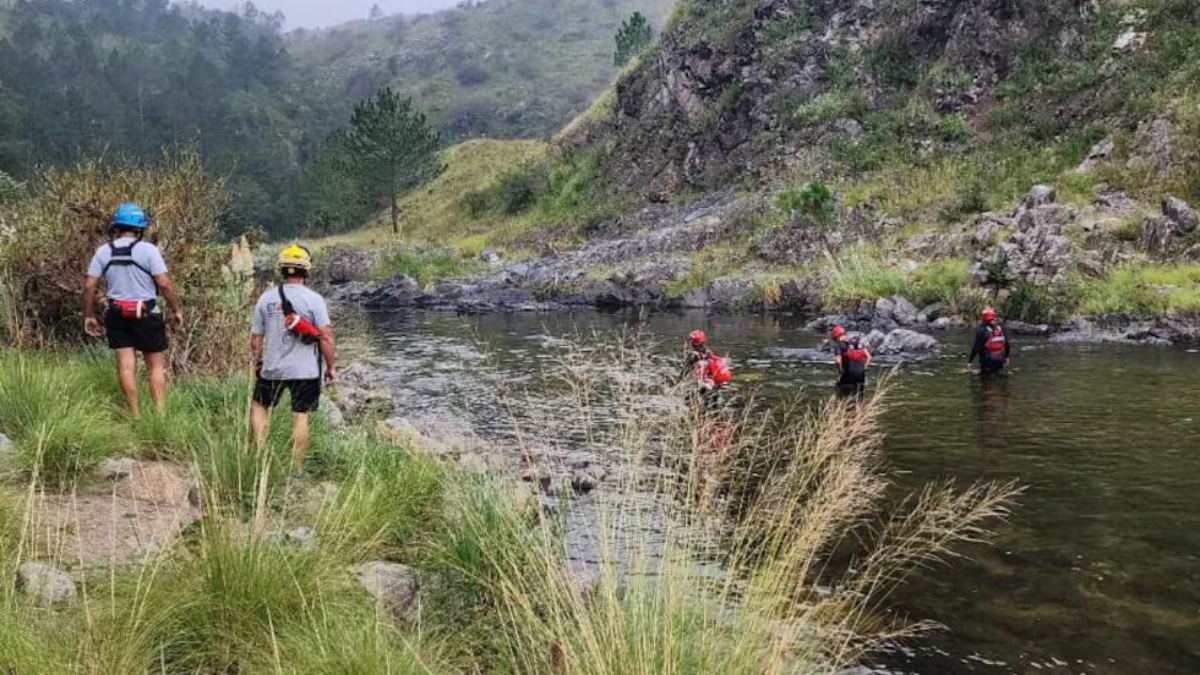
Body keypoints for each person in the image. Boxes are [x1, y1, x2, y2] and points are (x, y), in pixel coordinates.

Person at [83, 203, 185, 416]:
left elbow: (89, 285)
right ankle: (160, 414)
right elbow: (164, 284)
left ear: (116, 227)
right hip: (147, 313)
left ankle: (136, 415)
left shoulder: (103, 252)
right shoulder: (149, 251)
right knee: (155, 365)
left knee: (125, 365)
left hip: (117, 314)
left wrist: (89, 315)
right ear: (140, 229)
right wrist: (177, 310)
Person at [250, 244, 337, 474]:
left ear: (281, 269)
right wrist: (331, 368)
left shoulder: (266, 298)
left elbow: (256, 338)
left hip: (272, 369)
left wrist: (257, 361)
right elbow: (326, 338)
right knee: (300, 417)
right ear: (306, 270)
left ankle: (260, 458)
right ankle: (296, 469)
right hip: (306, 371)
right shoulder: (315, 300)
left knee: (259, 406)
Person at [682, 330, 732, 409]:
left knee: (690, 405)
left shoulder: (693, 355)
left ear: (693, 343)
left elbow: (684, 373)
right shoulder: (708, 352)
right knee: (713, 409)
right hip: (711, 385)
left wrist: (676, 387)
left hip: (699, 386)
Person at [831, 325, 872, 397]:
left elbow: (838, 361)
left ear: (836, 337)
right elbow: (869, 357)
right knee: (859, 397)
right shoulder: (855, 342)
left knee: (841, 395)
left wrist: (840, 370)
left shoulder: (838, 345)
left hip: (848, 374)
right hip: (861, 375)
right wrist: (864, 369)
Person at [968, 307, 1011, 376]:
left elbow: (976, 347)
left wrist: (970, 361)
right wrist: (1007, 357)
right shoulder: (1001, 328)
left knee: (986, 381)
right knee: (998, 376)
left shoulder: (982, 330)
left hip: (987, 360)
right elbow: (1007, 344)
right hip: (1000, 358)